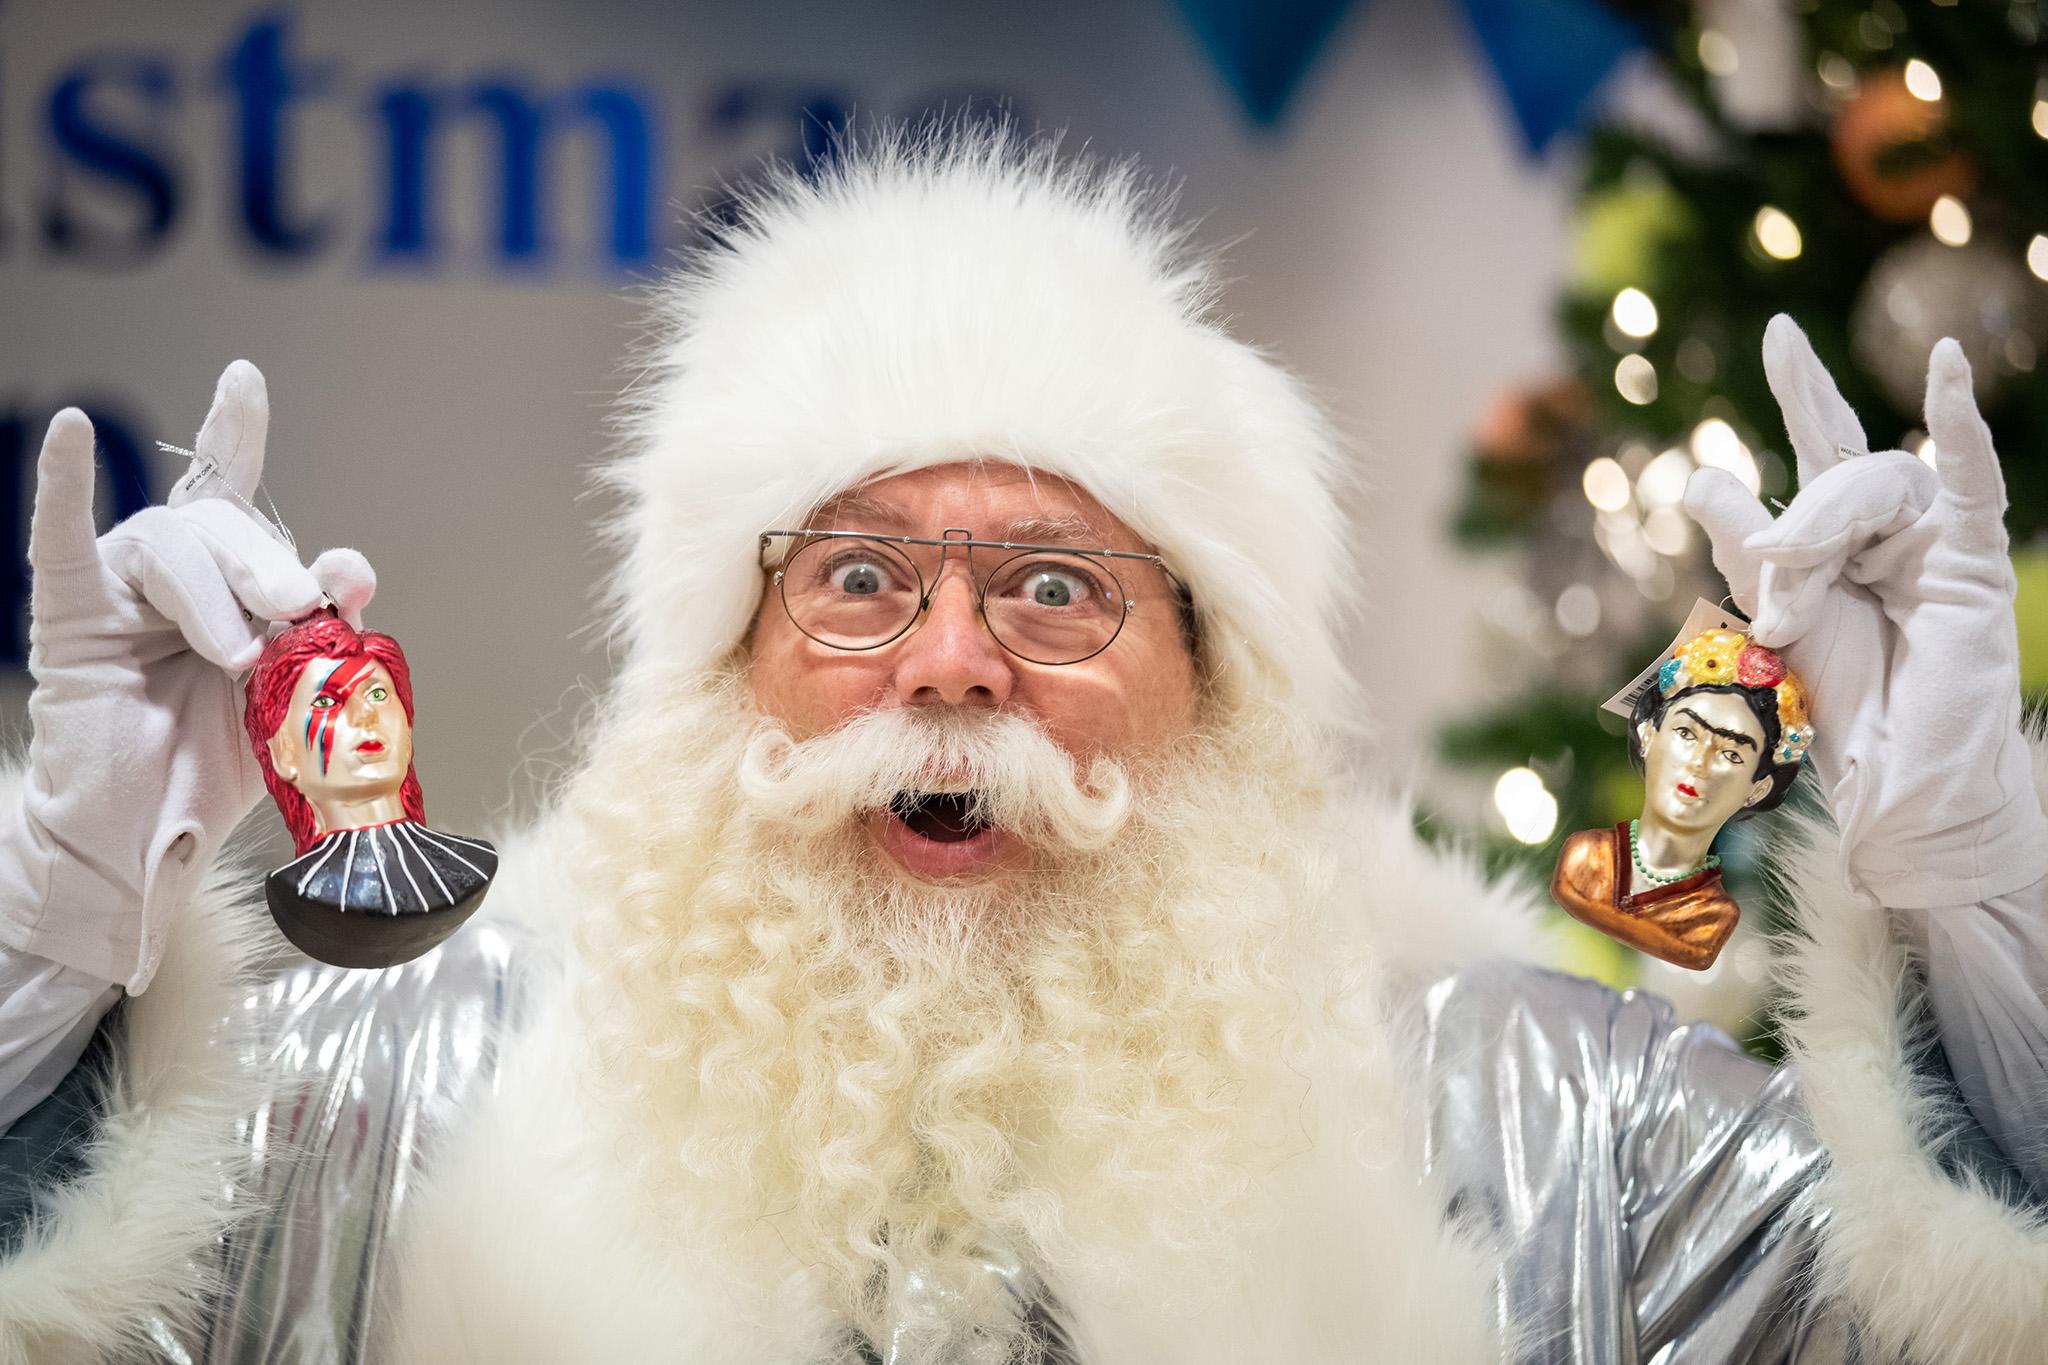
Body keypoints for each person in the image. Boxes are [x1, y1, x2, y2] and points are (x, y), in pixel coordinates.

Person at [0, 131, 2043, 1364]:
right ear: (723, 660)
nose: (953, 663)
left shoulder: (1548, 1125)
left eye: (1060, 586)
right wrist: (53, 954)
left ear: (1212, 677)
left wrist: (1977, 913)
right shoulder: (387, 1095)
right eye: (860, 579)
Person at [1551, 628, 1810, 970]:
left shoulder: (1711, 918)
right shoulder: (1585, 859)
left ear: (1758, 787)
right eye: (1686, 733)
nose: (1698, 763)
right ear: (1648, 734)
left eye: (1731, 754)